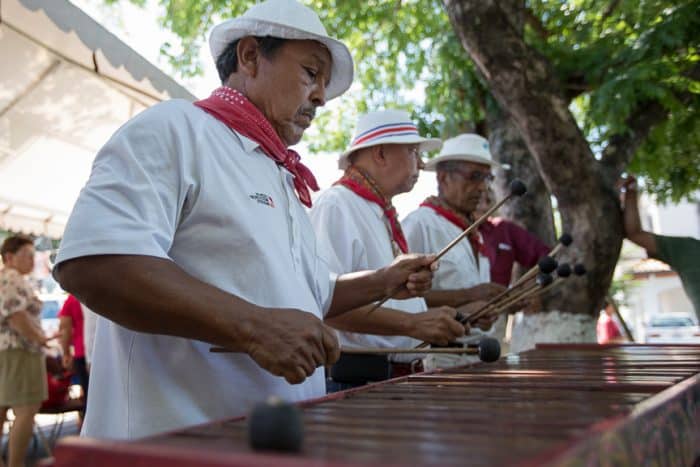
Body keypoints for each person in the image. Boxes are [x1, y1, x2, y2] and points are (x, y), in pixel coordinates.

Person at [53, 0, 436, 440]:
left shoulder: (280, 174)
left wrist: (386, 280)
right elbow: (94, 263)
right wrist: (254, 327)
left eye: (324, 85)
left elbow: (310, 298)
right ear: (250, 56)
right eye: (311, 74)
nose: (320, 98)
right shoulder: (175, 128)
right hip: (170, 444)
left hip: (264, 441)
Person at [311, 110, 476, 391]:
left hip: (396, 378)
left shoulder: (379, 211)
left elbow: (377, 295)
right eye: (413, 151)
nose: (421, 164)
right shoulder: (336, 206)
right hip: (358, 383)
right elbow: (324, 304)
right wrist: (412, 323)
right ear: (381, 154)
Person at [402, 134, 509, 368]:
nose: (482, 187)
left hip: (477, 357)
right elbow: (400, 299)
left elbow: (470, 304)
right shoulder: (419, 224)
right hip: (438, 360)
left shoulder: (473, 231)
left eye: (487, 178)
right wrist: (469, 296)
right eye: (474, 177)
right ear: (443, 177)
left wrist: (485, 311)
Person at [0, 235, 49, 467]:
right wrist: (40, 338)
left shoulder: (8, 278)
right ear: (9, 257)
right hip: (20, 350)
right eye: (27, 255)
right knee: (26, 409)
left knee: (5, 407)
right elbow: (16, 315)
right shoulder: (13, 278)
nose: (31, 260)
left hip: (9, 350)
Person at [621, 176, 700, 318]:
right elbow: (635, 234)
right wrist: (630, 191)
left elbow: (635, 234)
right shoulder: (689, 250)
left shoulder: (689, 250)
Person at [474, 188, 550, 286]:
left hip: (501, 299)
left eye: (487, 200)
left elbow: (544, 253)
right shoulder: (452, 229)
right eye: (478, 200)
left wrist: (532, 281)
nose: (484, 207)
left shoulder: (503, 228)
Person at [58, 295, 89, 404]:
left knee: (89, 395)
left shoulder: (73, 298)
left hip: (82, 352)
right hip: (104, 351)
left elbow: (65, 328)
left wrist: (66, 353)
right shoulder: (102, 293)